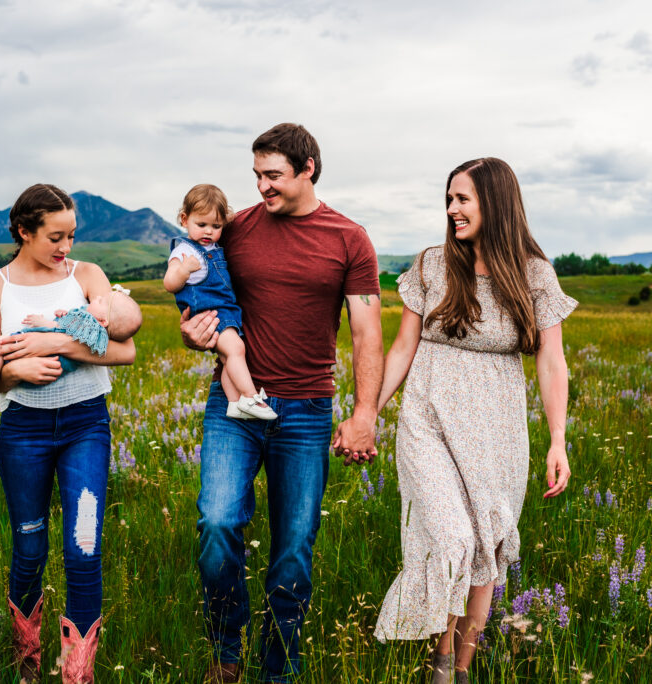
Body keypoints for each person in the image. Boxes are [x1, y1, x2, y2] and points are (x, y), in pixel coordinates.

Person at [180, 123, 383, 683]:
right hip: (235, 407)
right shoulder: (236, 229)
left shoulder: (349, 238)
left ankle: (280, 671)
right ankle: (227, 651)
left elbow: (367, 333)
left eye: (273, 175)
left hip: (307, 413)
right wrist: (193, 332)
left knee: (293, 552)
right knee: (217, 525)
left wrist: (364, 414)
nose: (262, 187)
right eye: (257, 176)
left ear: (308, 167)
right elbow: (202, 301)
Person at [371, 158, 575, 683]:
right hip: (429, 419)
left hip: (498, 431)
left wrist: (558, 441)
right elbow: (401, 348)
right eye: (449, 199)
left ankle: (455, 670)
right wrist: (367, 412)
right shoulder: (432, 265)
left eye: (463, 199)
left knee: (486, 545)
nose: (451, 209)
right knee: (454, 540)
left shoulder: (533, 273)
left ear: (496, 203)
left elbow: (552, 361)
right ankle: (442, 660)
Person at [0, 184, 139, 684]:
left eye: (71, 235)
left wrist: (54, 344)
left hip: (86, 424)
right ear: (24, 231)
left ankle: (76, 675)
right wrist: (18, 373)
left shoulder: (87, 275)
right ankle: (28, 665)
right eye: (54, 237)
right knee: (29, 546)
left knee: (84, 546)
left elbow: (125, 350)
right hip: (23, 430)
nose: (65, 247)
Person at [165, 184, 277, 421]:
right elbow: (169, 283)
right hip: (210, 314)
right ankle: (249, 396)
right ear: (184, 220)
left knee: (228, 358)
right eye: (201, 225)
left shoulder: (213, 248)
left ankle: (234, 403)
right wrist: (183, 270)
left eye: (216, 226)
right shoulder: (185, 251)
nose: (209, 232)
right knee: (237, 350)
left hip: (225, 311)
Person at [0, 288, 141, 390]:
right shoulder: (95, 326)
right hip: (31, 374)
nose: (96, 299)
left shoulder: (92, 326)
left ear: (103, 320)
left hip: (45, 365)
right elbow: (73, 325)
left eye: (101, 301)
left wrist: (44, 322)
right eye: (55, 237)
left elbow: (62, 329)